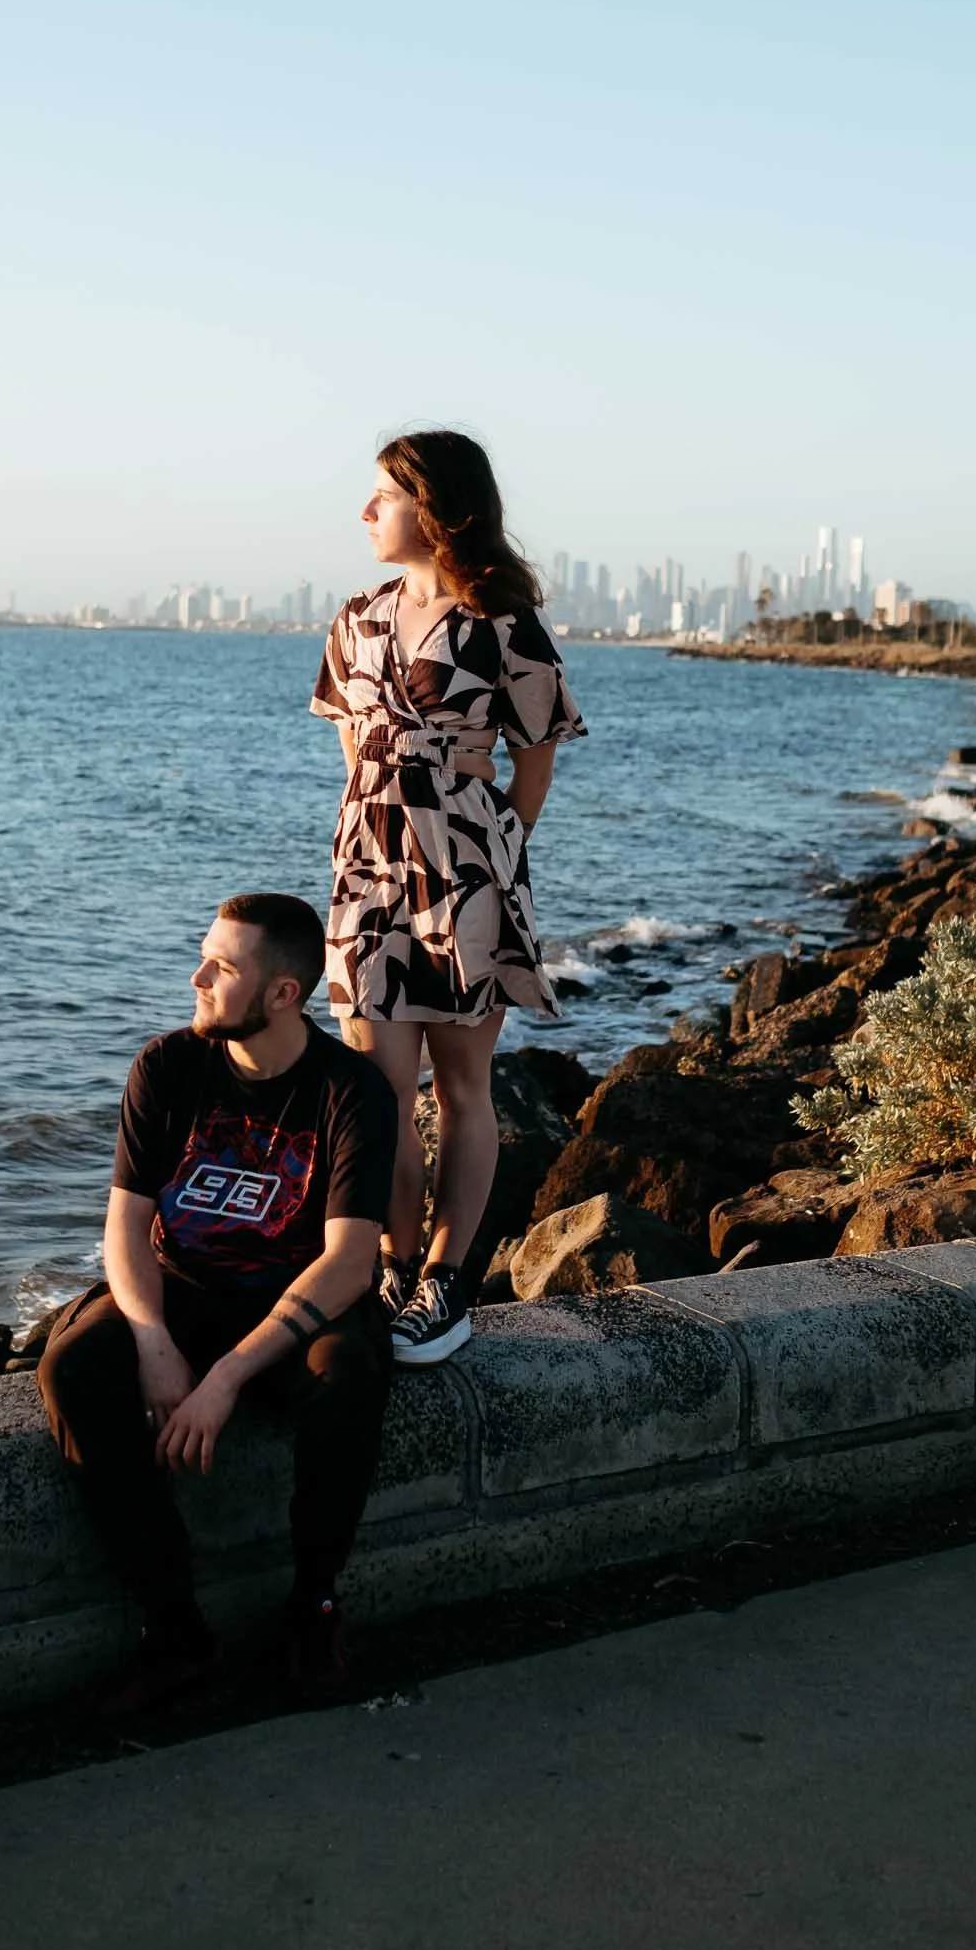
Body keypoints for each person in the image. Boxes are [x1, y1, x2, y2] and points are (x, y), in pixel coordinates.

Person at [38, 892, 397, 1710]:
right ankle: (177, 1632)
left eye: (223, 967)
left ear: (282, 993)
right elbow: (125, 1232)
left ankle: (314, 1606)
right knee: (75, 1370)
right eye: (205, 956)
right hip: (186, 1289)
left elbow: (347, 1263)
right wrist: (153, 1340)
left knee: (350, 1372)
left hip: (295, 1302)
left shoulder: (351, 1090)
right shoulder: (167, 1067)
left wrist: (227, 1378)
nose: (197, 976)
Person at [311, 429, 587, 1367]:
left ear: (434, 506)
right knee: (376, 1089)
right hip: (368, 872)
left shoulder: (504, 621)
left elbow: (537, 756)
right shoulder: (354, 618)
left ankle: (445, 1281)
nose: (366, 511)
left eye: (382, 494)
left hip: (468, 870)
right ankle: (390, 1267)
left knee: (464, 1086)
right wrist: (384, 827)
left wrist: (491, 851)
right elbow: (353, 743)